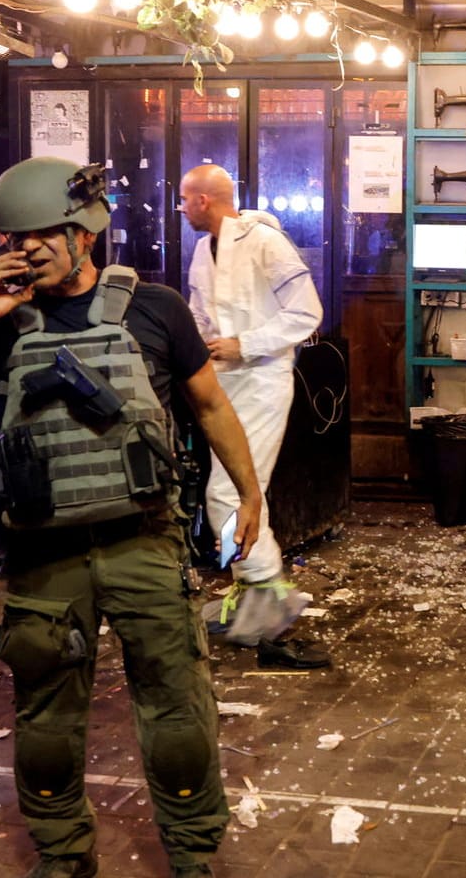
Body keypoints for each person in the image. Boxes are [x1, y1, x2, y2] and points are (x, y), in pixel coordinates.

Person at [0, 157, 262, 878]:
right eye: (15, 236)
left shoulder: (155, 308)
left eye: (45, 233)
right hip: (45, 553)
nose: (27, 248)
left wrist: (252, 494)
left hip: (144, 539)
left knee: (178, 711)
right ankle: (64, 855)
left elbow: (210, 406)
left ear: (85, 232)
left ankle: (193, 853)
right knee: (46, 722)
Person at [178, 163, 327, 668]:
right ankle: (251, 591)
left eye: (183, 199)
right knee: (230, 491)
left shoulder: (267, 243)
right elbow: (202, 314)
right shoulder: (203, 249)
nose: (180, 209)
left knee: (232, 491)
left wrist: (246, 345)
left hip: (263, 381)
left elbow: (307, 314)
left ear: (202, 200)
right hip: (223, 382)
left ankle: (270, 595)